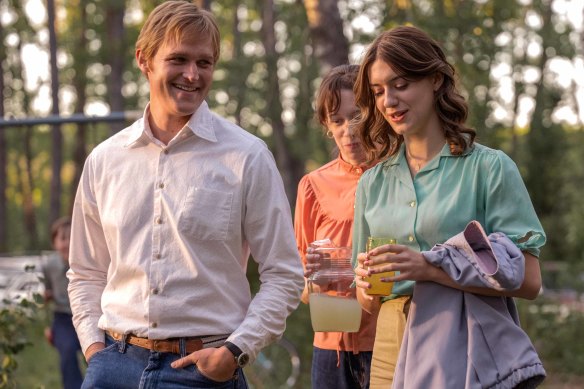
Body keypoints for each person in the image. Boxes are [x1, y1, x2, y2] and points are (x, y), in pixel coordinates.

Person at [66, 1, 304, 388]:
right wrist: (95, 351)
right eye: (178, 59)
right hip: (113, 366)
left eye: (204, 63)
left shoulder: (246, 156)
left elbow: (284, 274)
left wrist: (236, 350)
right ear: (144, 59)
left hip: (204, 371)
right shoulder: (105, 160)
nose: (192, 75)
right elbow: (86, 272)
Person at [350, 25, 545, 388]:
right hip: (389, 348)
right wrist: (366, 283)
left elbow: (530, 280)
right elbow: (368, 300)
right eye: (378, 92)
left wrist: (428, 268)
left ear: (436, 79)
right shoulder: (371, 183)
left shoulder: (489, 168)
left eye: (401, 84)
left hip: (466, 345)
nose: (389, 100)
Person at [294, 64, 379, 389]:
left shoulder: (399, 175)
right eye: (337, 120)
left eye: (356, 116)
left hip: (391, 342)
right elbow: (300, 284)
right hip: (332, 350)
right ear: (327, 126)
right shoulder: (313, 185)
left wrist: (347, 269)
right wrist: (318, 280)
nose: (348, 130)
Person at [42, 217, 83, 389]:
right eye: (63, 238)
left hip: (85, 315)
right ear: (54, 242)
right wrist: (47, 326)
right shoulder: (49, 265)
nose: (67, 243)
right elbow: (45, 293)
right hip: (62, 318)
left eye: (71, 238)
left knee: (97, 355)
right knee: (67, 352)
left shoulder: (84, 262)